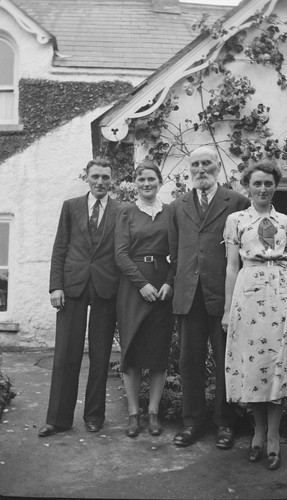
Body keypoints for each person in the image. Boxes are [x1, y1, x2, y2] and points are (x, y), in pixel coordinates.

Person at [169, 145, 250, 448]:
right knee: (189, 360)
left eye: (207, 163)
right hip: (189, 296)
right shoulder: (177, 206)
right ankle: (193, 422)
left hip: (224, 295)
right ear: (188, 169)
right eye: (195, 165)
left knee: (224, 361)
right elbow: (175, 252)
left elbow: (242, 253)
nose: (201, 169)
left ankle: (224, 422)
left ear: (218, 166)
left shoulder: (237, 202)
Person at [38, 157, 120, 437]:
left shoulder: (121, 210)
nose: (100, 182)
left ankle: (95, 415)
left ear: (112, 180)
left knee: (100, 354)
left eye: (105, 177)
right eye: (95, 176)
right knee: (66, 353)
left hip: (106, 286)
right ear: (87, 177)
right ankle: (58, 419)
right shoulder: (71, 207)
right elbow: (60, 247)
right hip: (72, 286)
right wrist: (55, 286)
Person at [222, 160, 287, 470]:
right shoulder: (236, 220)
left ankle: (275, 437)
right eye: (257, 184)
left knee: (277, 363)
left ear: (275, 185)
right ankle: (258, 432)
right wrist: (227, 309)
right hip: (248, 293)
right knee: (253, 364)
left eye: (268, 183)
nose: (262, 189)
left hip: (281, 293)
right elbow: (231, 266)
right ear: (247, 187)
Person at [115, 160, 174, 438]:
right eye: (141, 180)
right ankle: (133, 413)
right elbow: (120, 254)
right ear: (135, 183)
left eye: (151, 179)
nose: (146, 184)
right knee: (133, 351)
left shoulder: (171, 213)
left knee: (158, 353)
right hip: (133, 288)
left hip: (162, 286)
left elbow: (180, 252)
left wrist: (168, 283)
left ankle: (153, 413)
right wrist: (142, 284)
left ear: (159, 181)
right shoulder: (126, 212)